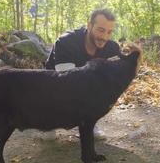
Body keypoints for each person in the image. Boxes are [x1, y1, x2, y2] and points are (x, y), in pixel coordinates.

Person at [45, 8, 121, 140]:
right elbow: (67, 81)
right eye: (101, 30)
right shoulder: (66, 42)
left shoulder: (112, 48)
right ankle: (49, 119)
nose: (105, 37)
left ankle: (88, 122)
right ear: (89, 25)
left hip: (84, 85)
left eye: (109, 32)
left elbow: (116, 79)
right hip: (55, 87)